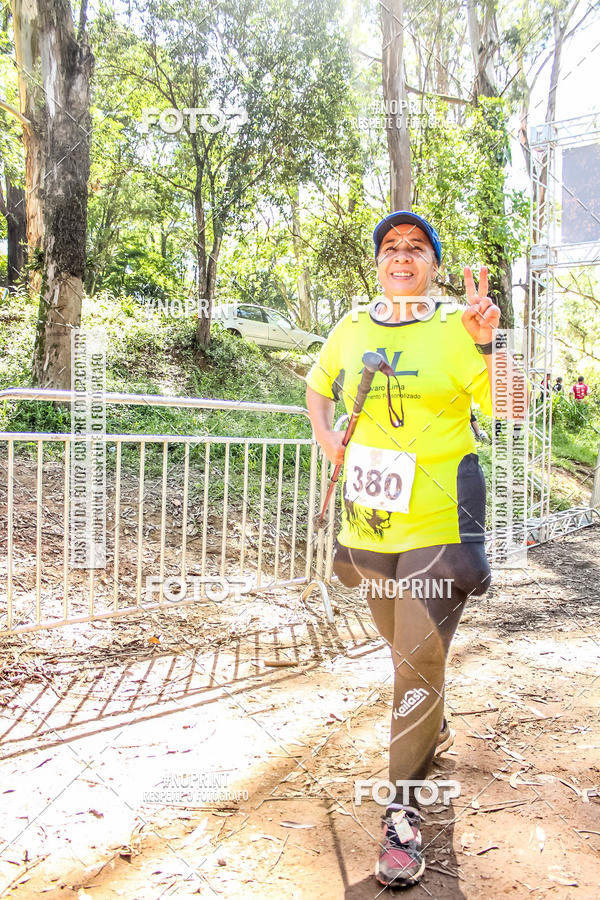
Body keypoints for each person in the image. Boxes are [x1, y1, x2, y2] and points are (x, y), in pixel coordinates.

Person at [305, 210, 526, 889]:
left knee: (414, 668)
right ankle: (432, 722)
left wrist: (491, 346)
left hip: (441, 523)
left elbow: (513, 408)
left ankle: (402, 817)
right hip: (368, 526)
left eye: (417, 248)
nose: (402, 256)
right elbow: (317, 387)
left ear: (433, 265)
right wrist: (327, 440)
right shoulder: (351, 326)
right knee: (404, 656)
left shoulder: (458, 326)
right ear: (378, 264)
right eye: (391, 248)